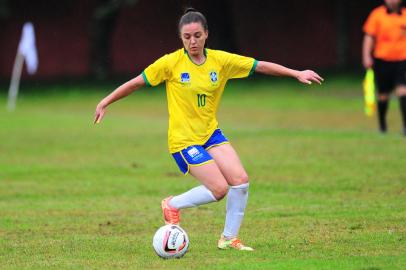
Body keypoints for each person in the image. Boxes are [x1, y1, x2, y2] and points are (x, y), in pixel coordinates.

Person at [94, 8, 323, 251]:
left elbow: (259, 66)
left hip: (211, 134)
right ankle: (172, 204)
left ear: (206, 35)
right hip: (184, 141)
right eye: (186, 37)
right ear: (181, 38)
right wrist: (105, 101)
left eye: (197, 35)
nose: (192, 41)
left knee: (240, 181)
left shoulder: (220, 61)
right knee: (219, 188)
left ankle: (228, 239)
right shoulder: (170, 63)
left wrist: (296, 73)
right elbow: (137, 82)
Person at [362, 0, 406, 135]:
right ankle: (382, 126)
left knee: (403, 91)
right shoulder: (377, 15)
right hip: (382, 60)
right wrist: (366, 56)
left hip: (403, 60)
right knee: (383, 95)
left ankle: (405, 127)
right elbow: (369, 37)